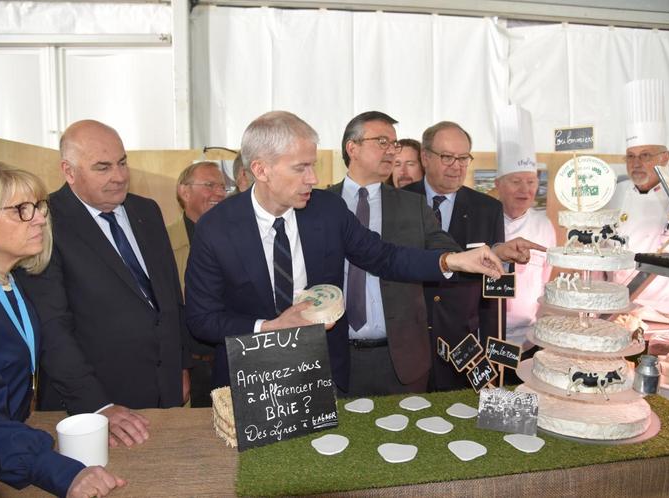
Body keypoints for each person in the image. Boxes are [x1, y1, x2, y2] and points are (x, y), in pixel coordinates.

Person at [184, 111, 513, 395]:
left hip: (323, 372)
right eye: (300, 168)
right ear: (261, 169)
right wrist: (269, 327)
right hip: (254, 377)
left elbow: (383, 256)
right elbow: (202, 319)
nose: (313, 178)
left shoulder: (326, 209)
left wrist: (450, 260)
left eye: (312, 165)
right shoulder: (216, 229)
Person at [0, 160, 125, 497]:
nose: (41, 217)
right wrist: (63, 473)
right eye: (22, 209)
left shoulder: (11, 282)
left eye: (39, 206)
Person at [18, 120, 192, 448]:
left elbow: (170, 298)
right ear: (68, 171)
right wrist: (96, 406)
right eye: (103, 167)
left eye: (122, 162)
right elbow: (52, 329)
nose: (119, 176)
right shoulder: (44, 222)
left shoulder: (146, 211)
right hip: (96, 409)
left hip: (165, 392)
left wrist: (181, 366)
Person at [328, 111, 462, 395]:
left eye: (394, 143)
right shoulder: (319, 205)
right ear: (352, 147)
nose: (391, 150)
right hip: (332, 357)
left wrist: (491, 252)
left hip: (400, 361)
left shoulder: (412, 205)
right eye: (381, 141)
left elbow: (448, 251)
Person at [405, 121, 540, 390]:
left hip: (463, 345)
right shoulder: (400, 201)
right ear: (425, 157)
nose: (457, 166)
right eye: (447, 157)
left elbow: (493, 291)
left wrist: (491, 356)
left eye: (463, 158)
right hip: (409, 338)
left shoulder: (487, 209)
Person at [606, 79, 669, 302]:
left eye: (646, 155)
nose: (636, 163)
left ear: (665, 157)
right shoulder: (613, 194)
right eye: (631, 156)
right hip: (621, 308)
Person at [494, 105, 556, 348]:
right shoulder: (482, 220)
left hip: (529, 336)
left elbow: (545, 277)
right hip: (484, 331)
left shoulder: (544, 225)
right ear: (498, 184)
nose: (525, 189)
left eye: (530, 182)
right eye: (516, 181)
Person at [167, 161, 225, 407]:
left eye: (223, 186)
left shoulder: (238, 237)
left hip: (232, 357)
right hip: (191, 364)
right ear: (184, 191)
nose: (220, 193)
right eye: (210, 185)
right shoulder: (162, 242)